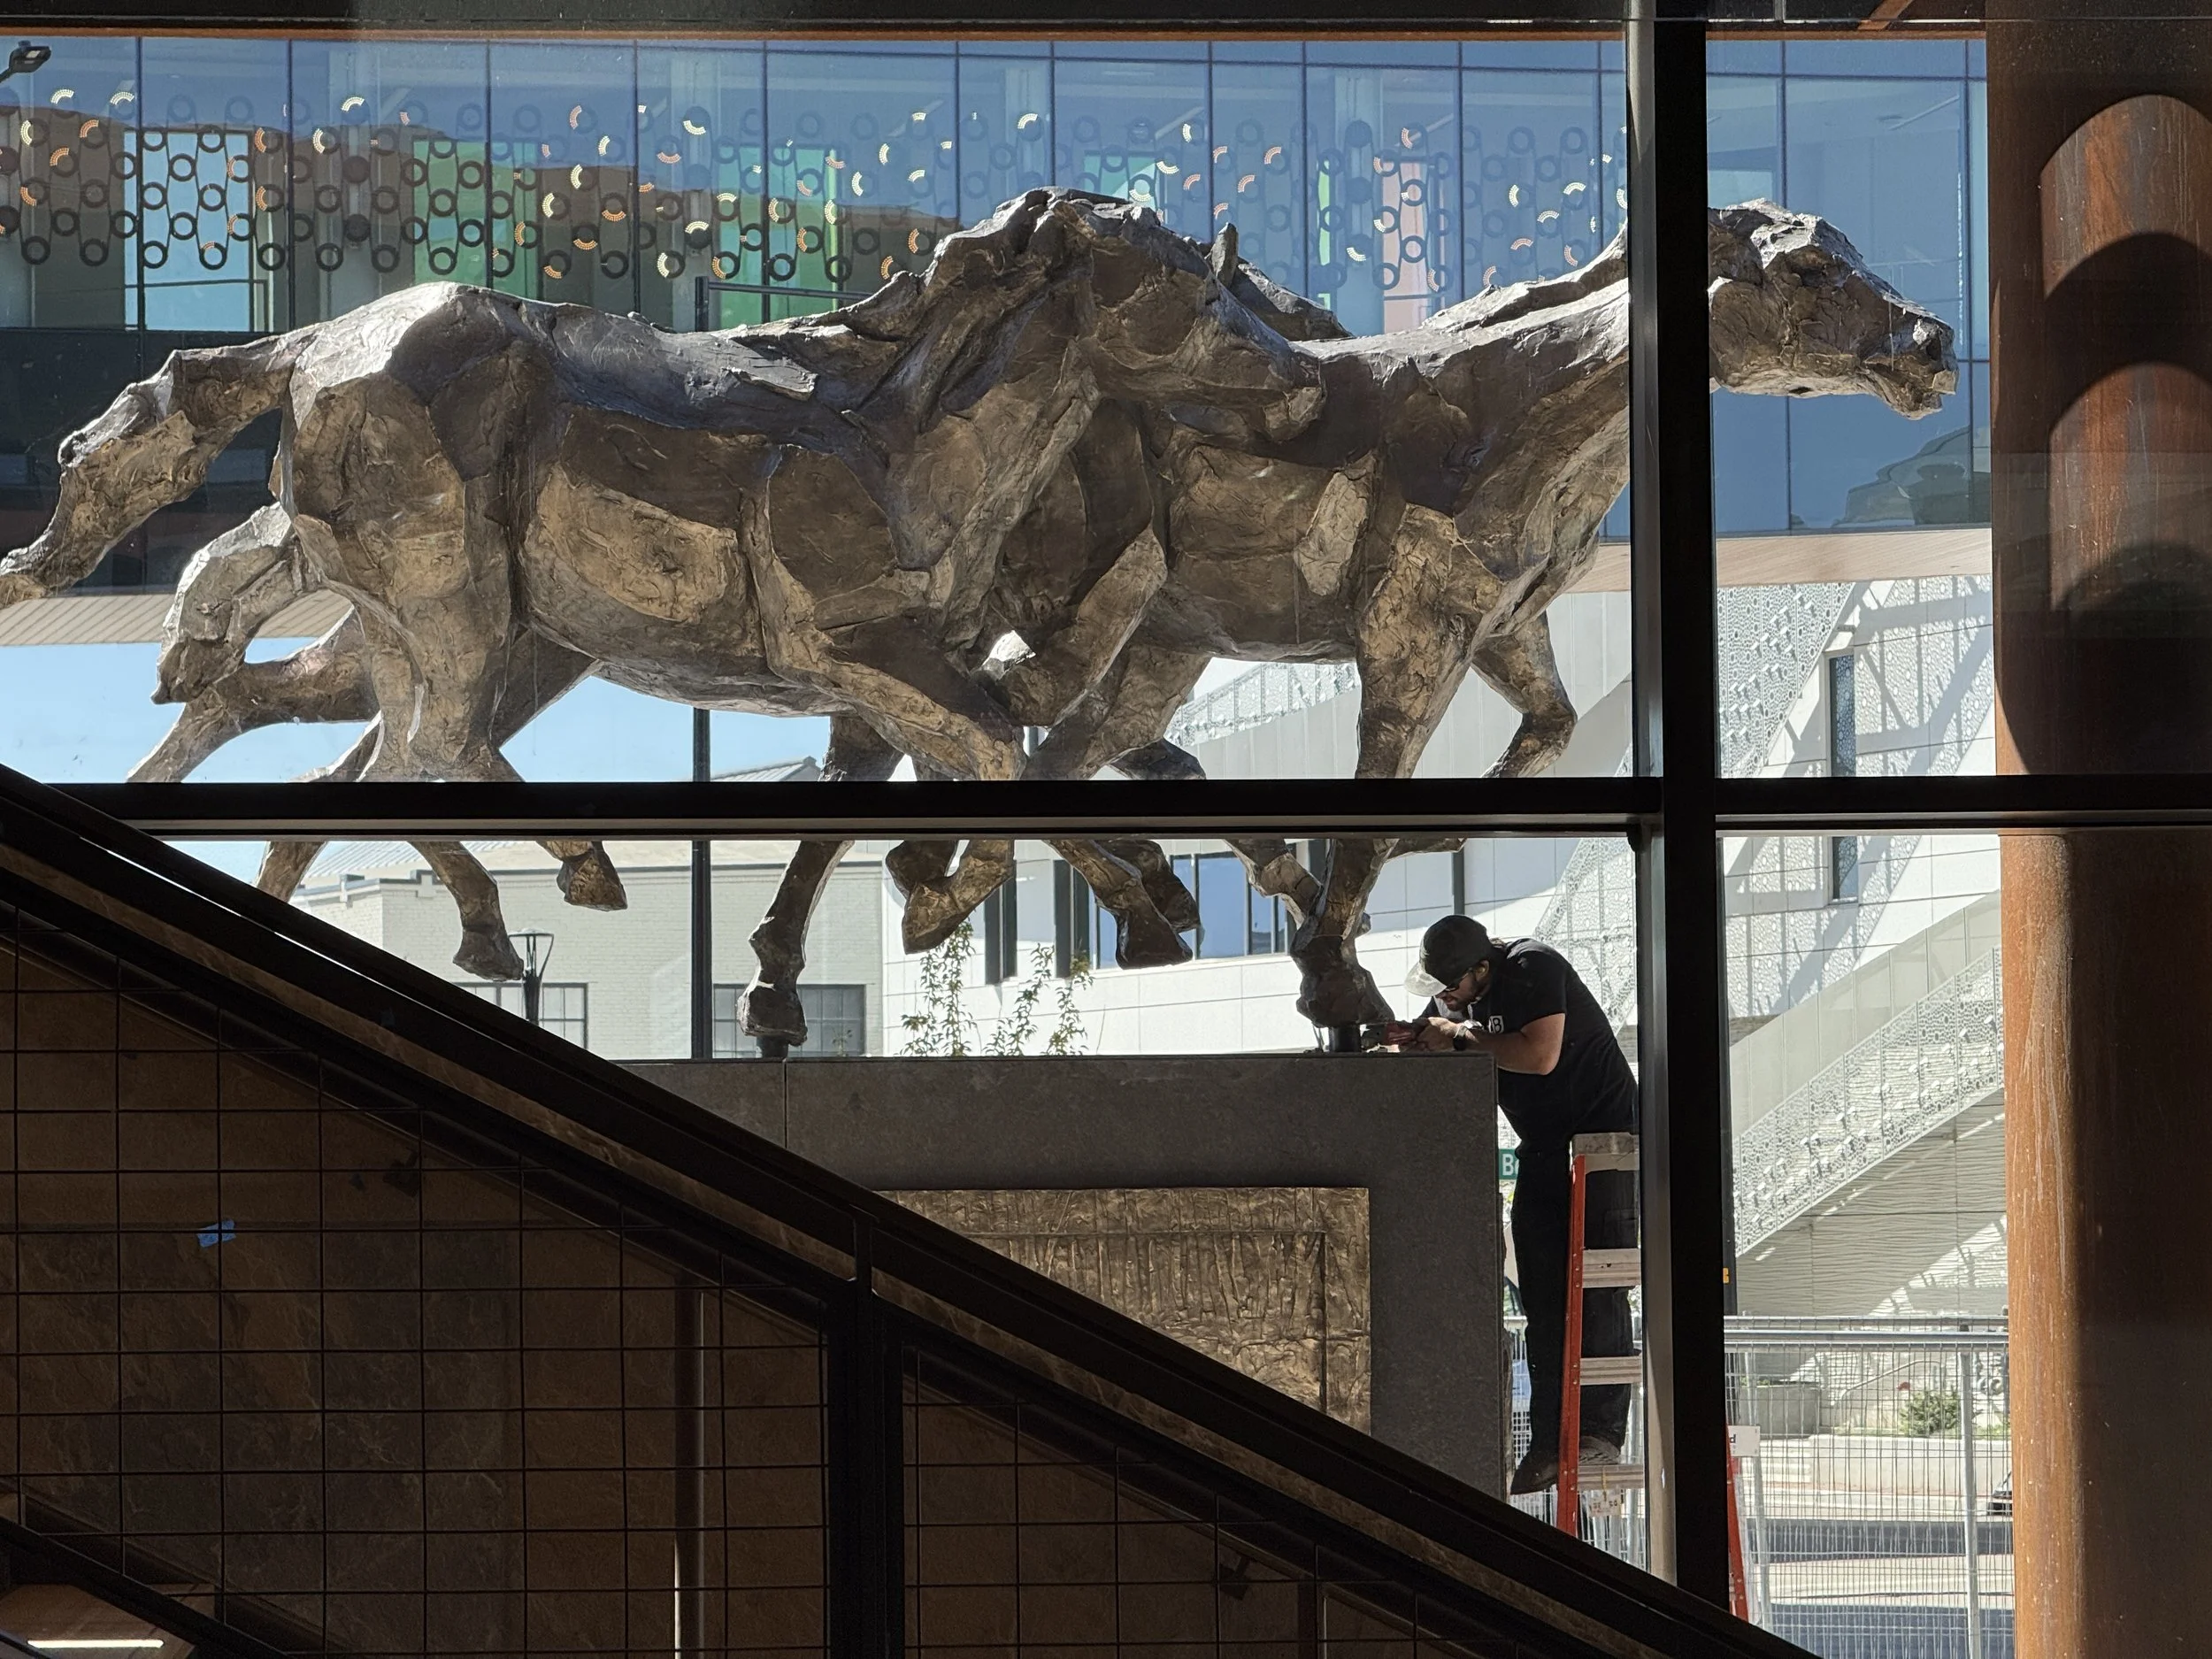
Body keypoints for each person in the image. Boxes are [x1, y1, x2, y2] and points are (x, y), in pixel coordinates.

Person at [1391, 913, 1639, 1496]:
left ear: (1482, 968)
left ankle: (1601, 1431)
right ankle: (1553, 1436)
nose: (1447, 1000)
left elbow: (1541, 1052)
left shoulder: (1533, 966)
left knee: (1595, 1285)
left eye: (1452, 987)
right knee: (1543, 1292)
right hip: (1546, 1145)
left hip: (1601, 1141)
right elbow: (1452, 1038)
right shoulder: (1461, 1004)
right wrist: (1419, 1036)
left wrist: (1457, 1036)